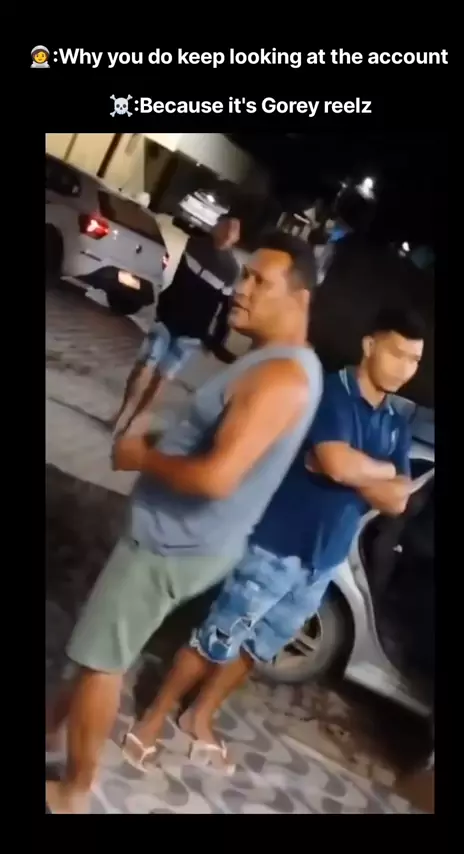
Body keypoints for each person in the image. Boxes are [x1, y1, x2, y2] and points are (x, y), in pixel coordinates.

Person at [45, 231, 322, 813]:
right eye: (245, 275)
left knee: (100, 663)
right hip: (182, 537)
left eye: (260, 281)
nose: (241, 288)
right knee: (100, 644)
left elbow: (218, 477)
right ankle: (49, 734)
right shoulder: (281, 362)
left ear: (299, 299)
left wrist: (140, 456)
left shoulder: (280, 378)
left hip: (171, 544)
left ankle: (72, 792)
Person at [123, 307, 425, 773]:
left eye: (415, 361)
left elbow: (398, 499)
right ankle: (152, 719)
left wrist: (360, 470)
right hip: (276, 544)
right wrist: (372, 472)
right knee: (216, 637)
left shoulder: (394, 423)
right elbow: (334, 463)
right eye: (398, 354)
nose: (405, 369)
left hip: (322, 563)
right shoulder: (331, 393)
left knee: (258, 648)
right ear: (370, 345)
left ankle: (199, 716)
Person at [112, 216, 241, 436]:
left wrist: (216, 341)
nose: (229, 233)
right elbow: (178, 278)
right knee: (143, 366)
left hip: (192, 333)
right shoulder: (196, 246)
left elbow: (225, 309)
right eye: (226, 227)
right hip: (168, 319)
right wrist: (163, 305)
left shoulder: (231, 270)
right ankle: (121, 415)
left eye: (234, 230)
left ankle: (133, 423)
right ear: (216, 227)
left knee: (162, 378)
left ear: (237, 237)